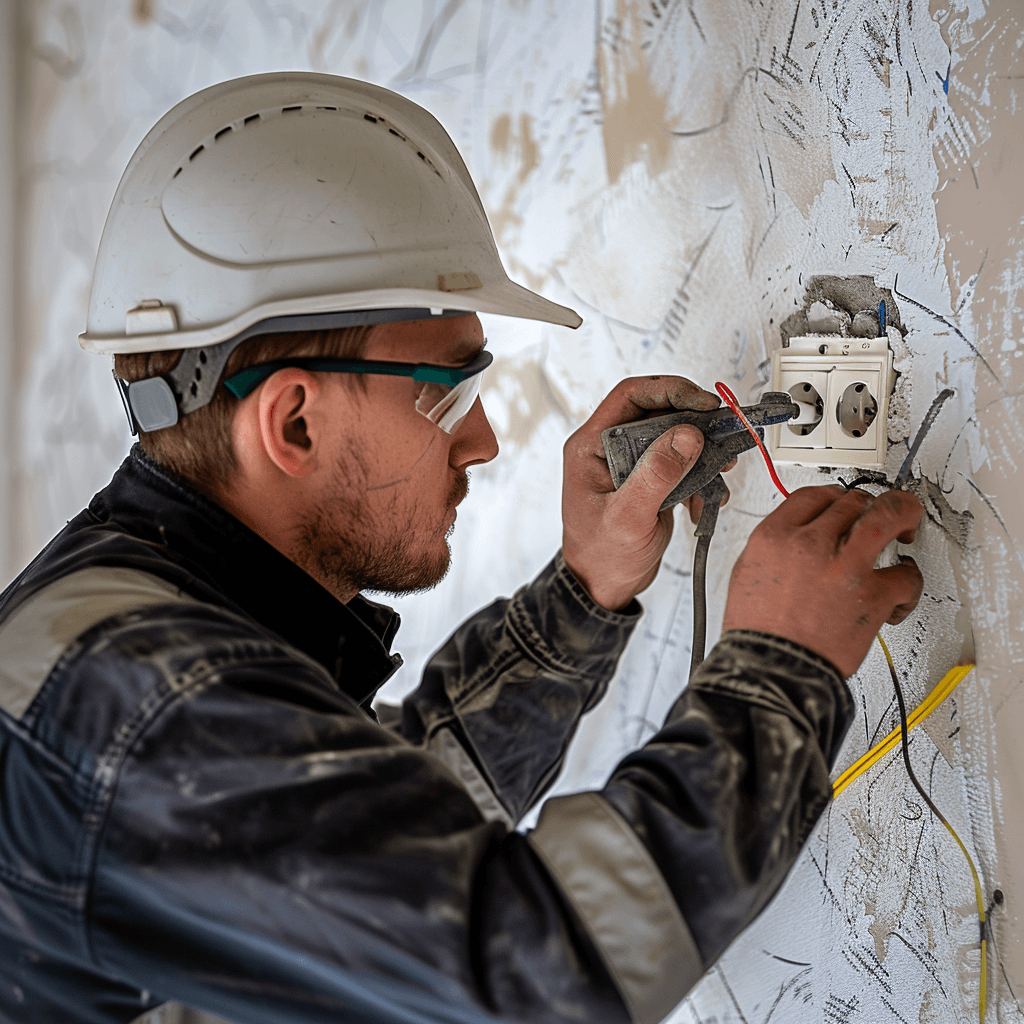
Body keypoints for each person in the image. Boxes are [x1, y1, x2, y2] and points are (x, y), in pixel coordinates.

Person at [0, 73, 923, 1024]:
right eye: (447, 393)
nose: (481, 442)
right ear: (295, 423)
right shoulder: (136, 707)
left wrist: (584, 592)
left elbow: (367, 866)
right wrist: (779, 673)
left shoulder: (129, 630)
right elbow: (530, 972)